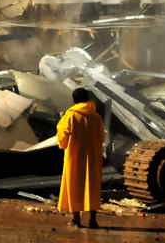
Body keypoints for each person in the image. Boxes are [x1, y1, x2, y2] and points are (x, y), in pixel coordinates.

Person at [56, 87, 104, 229]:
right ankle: (93, 220)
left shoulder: (70, 115)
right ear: (88, 99)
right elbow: (101, 137)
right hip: (93, 158)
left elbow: (63, 138)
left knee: (74, 186)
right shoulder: (96, 116)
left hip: (74, 157)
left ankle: (76, 219)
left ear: (74, 100)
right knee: (92, 187)